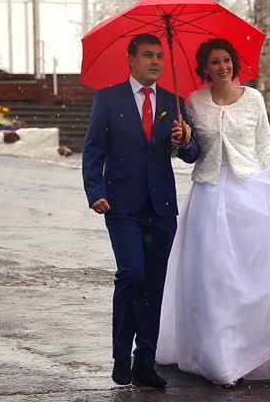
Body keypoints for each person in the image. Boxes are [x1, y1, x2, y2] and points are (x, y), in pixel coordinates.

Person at [156, 38, 270, 386]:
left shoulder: (254, 99)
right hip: (210, 195)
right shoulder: (194, 102)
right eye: (214, 62)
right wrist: (182, 141)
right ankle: (219, 356)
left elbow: (263, 145)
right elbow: (192, 153)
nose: (222, 66)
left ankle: (253, 349)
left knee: (250, 277)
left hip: (250, 194)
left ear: (234, 64)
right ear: (205, 69)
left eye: (226, 60)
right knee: (214, 278)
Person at [82, 33, 199, 389]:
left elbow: (192, 155)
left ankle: (145, 361)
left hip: (161, 206)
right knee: (132, 274)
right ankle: (122, 354)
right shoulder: (108, 98)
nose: (156, 62)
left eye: (160, 56)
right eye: (148, 55)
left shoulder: (174, 101)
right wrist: (94, 191)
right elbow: (93, 150)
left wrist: (186, 139)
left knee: (154, 284)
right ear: (130, 60)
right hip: (122, 206)